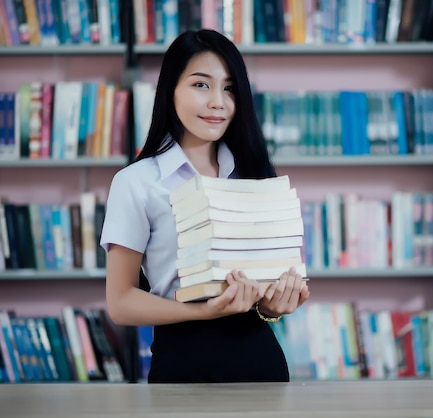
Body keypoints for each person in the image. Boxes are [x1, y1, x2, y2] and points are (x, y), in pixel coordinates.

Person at [100, 29, 310, 383]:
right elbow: (121, 303)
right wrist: (206, 312)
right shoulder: (137, 182)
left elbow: (267, 294)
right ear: (170, 90)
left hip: (262, 365)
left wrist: (275, 307)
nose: (218, 102)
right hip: (183, 365)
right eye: (201, 85)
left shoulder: (253, 176)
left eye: (229, 88)